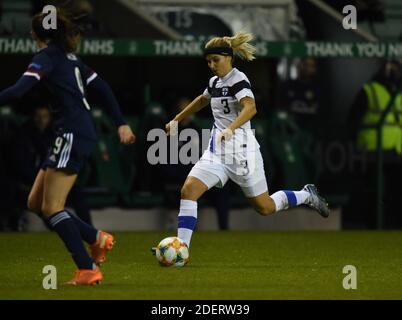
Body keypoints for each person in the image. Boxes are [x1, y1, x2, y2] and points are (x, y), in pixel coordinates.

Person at [152, 32, 330, 254]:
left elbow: (251, 108)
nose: (212, 65)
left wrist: (230, 128)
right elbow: (201, 100)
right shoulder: (214, 82)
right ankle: (181, 249)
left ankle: (306, 195)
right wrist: (177, 119)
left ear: (229, 57)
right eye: (208, 61)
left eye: (215, 60)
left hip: (243, 152)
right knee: (188, 190)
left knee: (264, 207)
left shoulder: (239, 79)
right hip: (217, 151)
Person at [0, 9, 135, 285]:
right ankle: (97, 238)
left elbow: (17, 91)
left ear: (36, 35)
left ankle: (87, 268)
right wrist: (120, 122)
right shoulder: (71, 59)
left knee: (52, 207)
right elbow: (103, 88)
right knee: (35, 203)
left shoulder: (46, 58)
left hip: (72, 132)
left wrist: (121, 122)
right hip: (73, 131)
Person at [347, 59, 402, 228]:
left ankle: (393, 226)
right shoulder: (369, 90)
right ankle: (374, 226)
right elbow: (353, 120)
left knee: (395, 194)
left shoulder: (399, 92)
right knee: (375, 194)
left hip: (397, 151)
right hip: (374, 152)